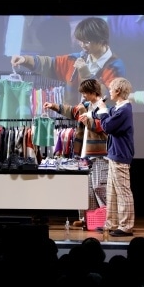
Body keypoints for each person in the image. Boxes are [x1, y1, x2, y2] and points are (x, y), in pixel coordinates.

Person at [11, 16, 126, 106]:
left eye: (86, 42)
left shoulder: (115, 66)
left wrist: (86, 75)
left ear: (100, 40)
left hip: (99, 124)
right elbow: (50, 63)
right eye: (80, 41)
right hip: (74, 121)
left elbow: (110, 98)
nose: (82, 45)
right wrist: (25, 59)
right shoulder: (76, 58)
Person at [43, 78, 108, 228]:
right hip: (84, 153)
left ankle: (106, 218)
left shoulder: (103, 107)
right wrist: (54, 106)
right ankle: (87, 219)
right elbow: (72, 111)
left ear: (93, 92)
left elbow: (101, 128)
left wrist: (85, 116)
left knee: (99, 187)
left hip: (98, 154)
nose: (83, 95)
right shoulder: (86, 106)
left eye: (85, 93)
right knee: (86, 189)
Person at [92, 77, 135, 237]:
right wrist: (98, 107)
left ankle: (126, 226)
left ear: (118, 91)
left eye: (111, 89)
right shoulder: (118, 108)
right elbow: (101, 115)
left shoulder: (124, 110)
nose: (109, 91)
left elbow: (107, 126)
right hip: (114, 154)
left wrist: (103, 110)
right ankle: (111, 223)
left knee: (123, 192)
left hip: (120, 154)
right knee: (112, 192)